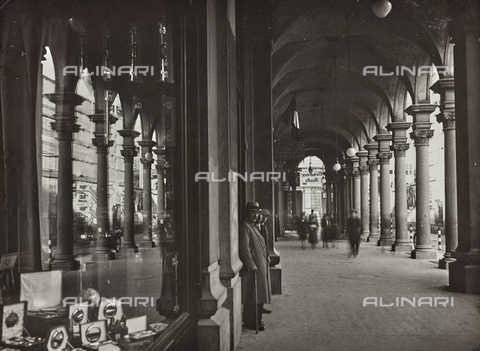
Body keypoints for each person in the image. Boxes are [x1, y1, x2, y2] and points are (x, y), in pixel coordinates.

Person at [239, 202, 271, 331]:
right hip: (254, 267)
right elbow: (245, 248)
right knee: (252, 295)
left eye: (256, 212)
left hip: (261, 265)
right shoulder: (245, 227)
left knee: (259, 294)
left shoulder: (253, 227)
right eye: (252, 212)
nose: (254, 215)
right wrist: (250, 264)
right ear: (247, 213)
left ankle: (257, 319)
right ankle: (251, 321)